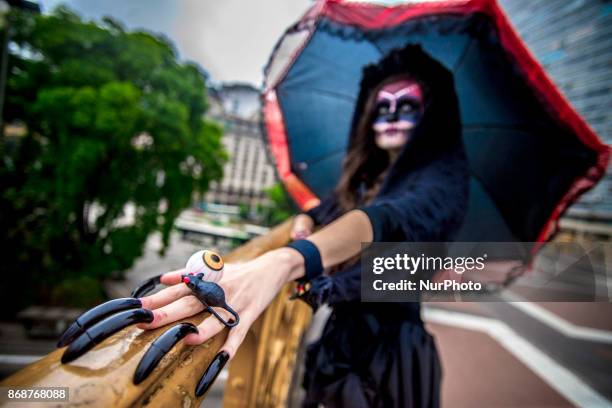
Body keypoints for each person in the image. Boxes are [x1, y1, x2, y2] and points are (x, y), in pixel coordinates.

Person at [139, 45, 469, 407]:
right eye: (382, 108)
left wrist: (285, 262)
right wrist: (304, 221)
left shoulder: (444, 182)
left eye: (407, 108)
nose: (390, 117)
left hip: (388, 350)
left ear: (431, 117)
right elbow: (325, 211)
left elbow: (386, 219)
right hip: (341, 337)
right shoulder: (366, 178)